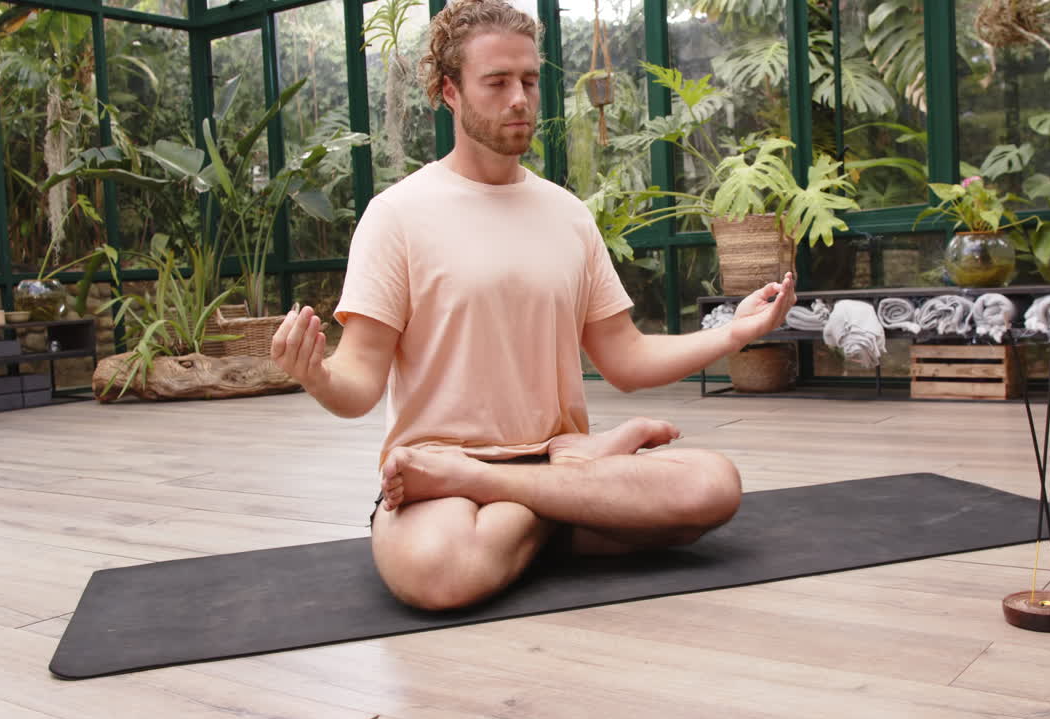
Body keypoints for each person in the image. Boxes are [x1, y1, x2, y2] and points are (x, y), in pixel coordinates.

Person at [270, 0, 796, 611]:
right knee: (436, 573)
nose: (518, 98)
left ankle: (519, 491)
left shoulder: (567, 215)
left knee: (713, 485)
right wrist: (317, 374)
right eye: (496, 82)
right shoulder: (397, 216)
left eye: (527, 79)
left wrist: (734, 332)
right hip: (439, 472)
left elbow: (624, 357)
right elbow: (359, 383)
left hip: (548, 456)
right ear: (450, 91)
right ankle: (564, 508)